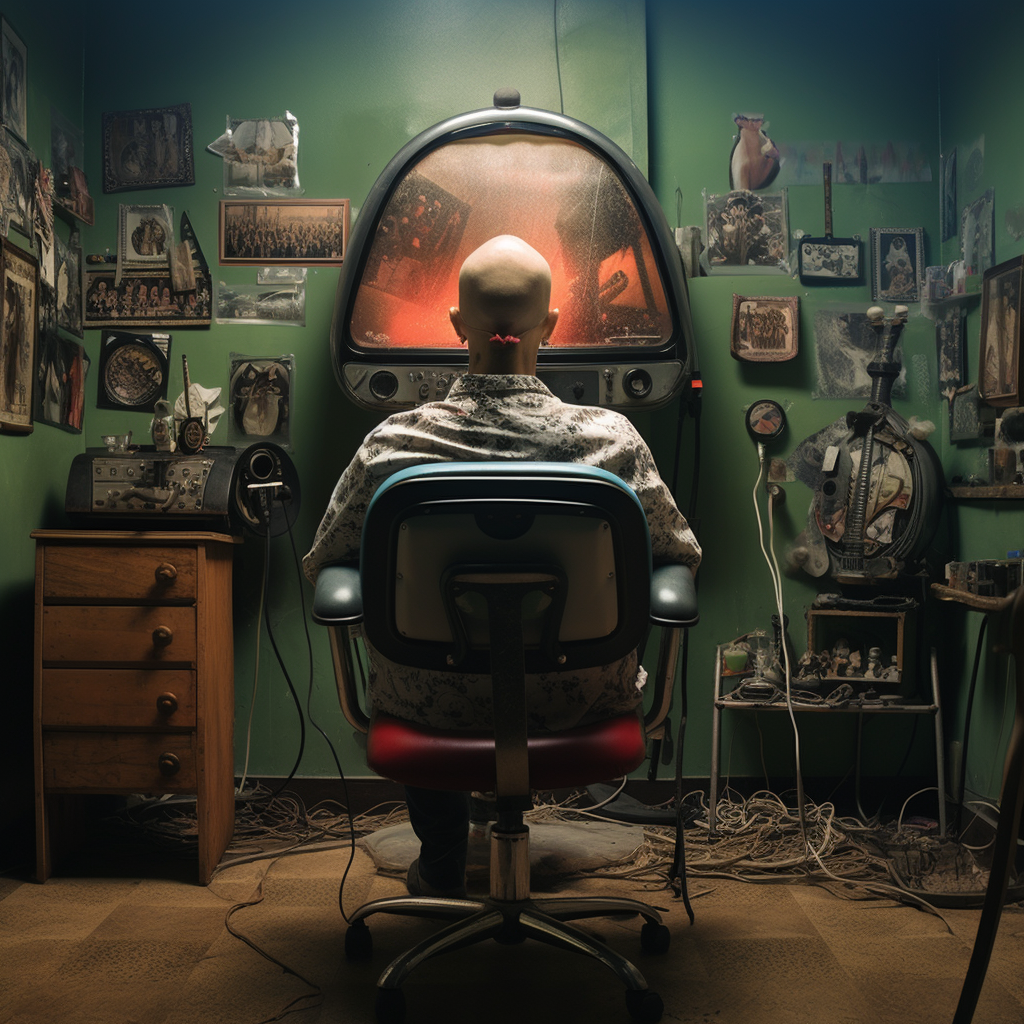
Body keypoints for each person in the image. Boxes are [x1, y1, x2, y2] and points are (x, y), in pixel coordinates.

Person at [303, 234, 700, 897]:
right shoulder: (614, 443)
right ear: (549, 325)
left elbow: (329, 568)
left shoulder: (392, 446)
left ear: (459, 325)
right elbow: (678, 561)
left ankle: (440, 859)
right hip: (577, 702)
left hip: (431, 706)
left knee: (422, 680)